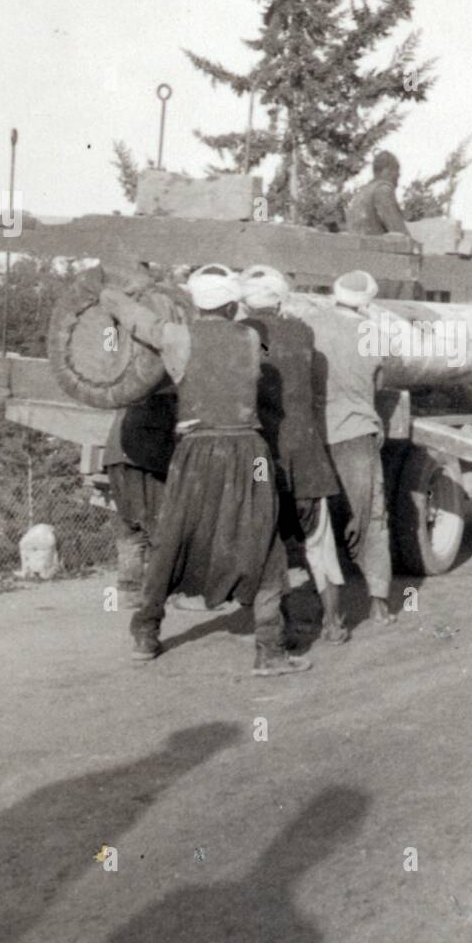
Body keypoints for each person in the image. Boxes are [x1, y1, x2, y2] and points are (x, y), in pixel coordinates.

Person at [93, 266, 310, 675]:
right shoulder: (249, 337)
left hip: (195, 451)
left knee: (172, 538)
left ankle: (145, 634)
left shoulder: (178, 337)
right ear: (232, 304)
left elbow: (141, 322)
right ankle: (270, 649)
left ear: (196, 302)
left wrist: (110, 297)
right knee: (264, 543)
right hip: (249, 450)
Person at [240, 265, 349, 644]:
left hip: (262, 461)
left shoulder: (242, 336)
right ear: (279, 297)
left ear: (244, 302)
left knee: (271, 547)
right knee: (320, 545)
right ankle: (334, 624)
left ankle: (279, 627)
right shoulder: (302, 331)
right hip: (305, 454)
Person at [302, 269, 396, 628]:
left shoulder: (310, 324)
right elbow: (379, 383)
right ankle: (379, 603)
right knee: (371, 515)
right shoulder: (373, 332)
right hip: (358, 433)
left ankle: (326, 605)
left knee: (320, 521)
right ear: (367, 301)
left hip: (317, 435)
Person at [103, 389, 177, 590]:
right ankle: (164, 592)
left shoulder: (132, 380)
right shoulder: (164, 383)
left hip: (117, 457)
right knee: (160, 527)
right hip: (145, 459)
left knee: (131, 527)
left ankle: (130, 588)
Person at [345, 151, 417, 244]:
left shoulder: (361, 192)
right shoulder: (382, 190)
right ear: (386, 170)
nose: (398, 175)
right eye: (396, 170)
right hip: (376, 253)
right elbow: (399, 232)